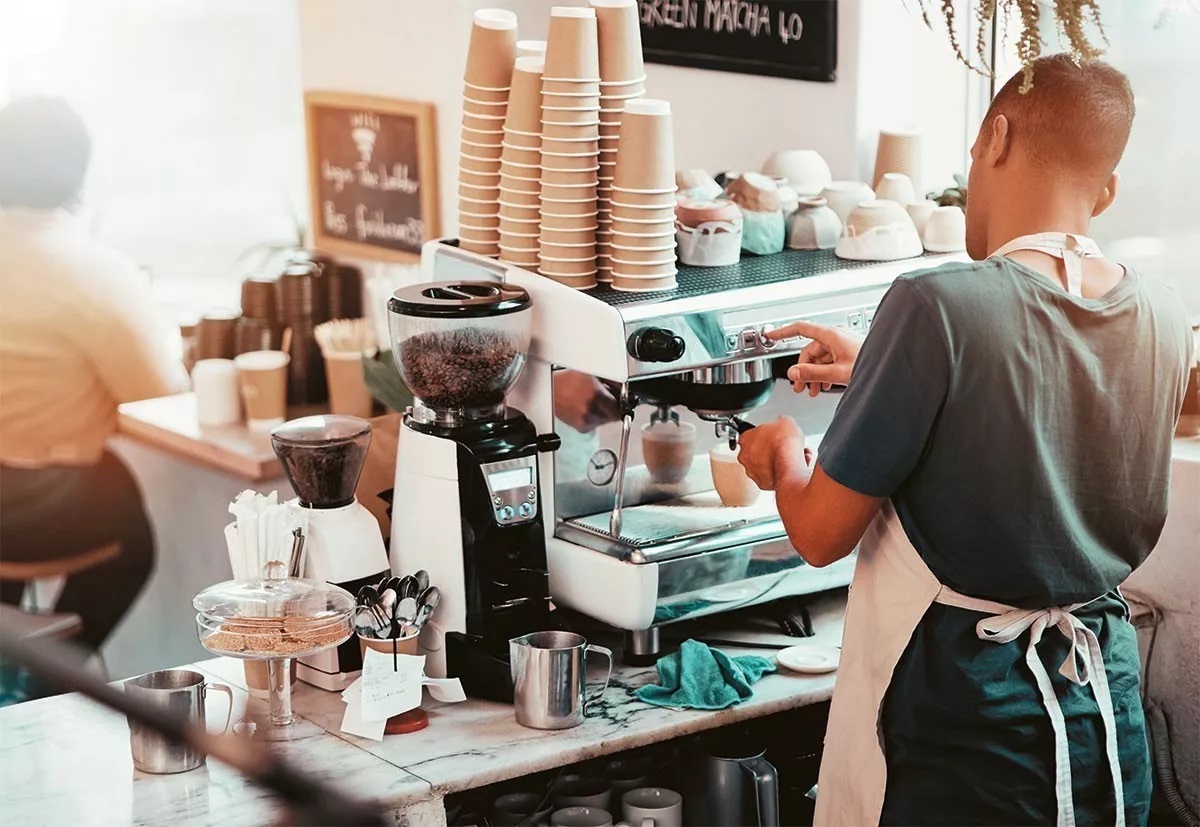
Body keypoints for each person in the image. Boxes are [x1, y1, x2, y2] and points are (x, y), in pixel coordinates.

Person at [737, 55, 1194, 826]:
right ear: (1107, 191)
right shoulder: (1162, 313)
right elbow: (1046, 387)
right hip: (1103, 717)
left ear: (995, 137)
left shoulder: (932, 304)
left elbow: (818, 534)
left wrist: (781, 449)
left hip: (965, 732)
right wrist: (878, 368)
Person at [0, 97, 186, 660]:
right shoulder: (91, 272)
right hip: (43, 508)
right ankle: (56, 673)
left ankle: (19, 671)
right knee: (131, 538)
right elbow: (162, 396)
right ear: (78, 174)